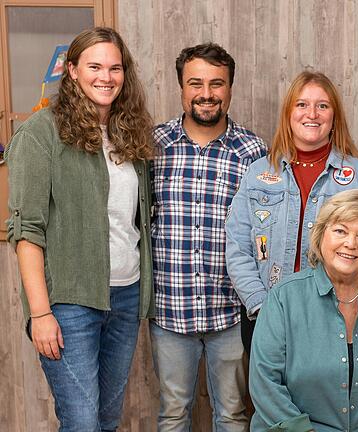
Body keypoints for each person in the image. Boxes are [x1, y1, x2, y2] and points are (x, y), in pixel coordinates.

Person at [5, 27, 154, 430]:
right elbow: (26, 231)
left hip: (125, 297)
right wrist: (40, 314)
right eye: (94, 66)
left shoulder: (129, 135)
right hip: (70, 303)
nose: (106, 77)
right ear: (72, 71)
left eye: (115, 68)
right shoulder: (40, 133)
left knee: (106, 420)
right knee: (82, 422)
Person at [226, 71, 358, 354]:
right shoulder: (258, 173)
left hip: (334, 320)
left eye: (322, 105)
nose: (312, 113)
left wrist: (347, 307)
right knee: (269, 397)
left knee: (330, 399)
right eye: (301, 104)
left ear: (334, 116)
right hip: (267, 315)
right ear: (288, 113)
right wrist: (261, 306)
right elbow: (237, 247)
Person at [150, 43, 266, 431]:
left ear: (231, 88)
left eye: (217, 83)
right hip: (169, 309)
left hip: (230, 311)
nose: (206, 93)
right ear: (181, 88)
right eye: (195, 83)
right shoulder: (152, 147)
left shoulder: (254, 152)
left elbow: (261, 233)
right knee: (172, 413)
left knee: (233, 414)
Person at [249, 189, 358, 432]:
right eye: (340, 231)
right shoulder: (283, 298)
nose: (350, 244)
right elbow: (265, 382)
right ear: (321, 235)